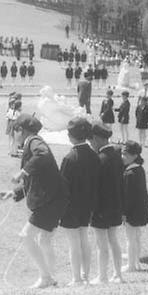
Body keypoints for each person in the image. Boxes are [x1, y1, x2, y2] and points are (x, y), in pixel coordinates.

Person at [2, 114, 68, 288]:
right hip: (55, 198)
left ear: (20, 130)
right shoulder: (32, 142)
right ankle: (50, 277)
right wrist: (13, 193)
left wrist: (23, 171)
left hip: (50, 201)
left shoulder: (34, 141)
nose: (14, 136)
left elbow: (43, 154)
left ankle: (46, 277)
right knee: (44, 240)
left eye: (14, 131)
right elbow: (34, 180)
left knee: (26, 236)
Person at [59, 118, 100, 285]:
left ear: (72, 136)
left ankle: (76, 278)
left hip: (71, 206)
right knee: (84, 239)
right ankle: (86, 275)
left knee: (73, 243)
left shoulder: (70, 158)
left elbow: (62, 186)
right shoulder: (94, 155)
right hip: (88, 204)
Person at [89, 122, 124, 283]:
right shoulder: (117, 156)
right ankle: (118, 274)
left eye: (92, 140)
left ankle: (102, 275)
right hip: (116, 204)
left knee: (101, 244)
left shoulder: (99, 159)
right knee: (114, 241)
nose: (91, 143)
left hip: (101, 207)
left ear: (97, 139)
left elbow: (95, 188)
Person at [121, 141, 148, 272]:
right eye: (122, 153)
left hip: (132, 210)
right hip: (140, 208)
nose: (123, 156)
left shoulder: (130, 173)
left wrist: (123, 212)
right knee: (136, 236)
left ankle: (131, 265)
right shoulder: (139, 169)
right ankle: (136, 262)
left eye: (126, 154)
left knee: (130, 238)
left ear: (134, 156)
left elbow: (127, 197)